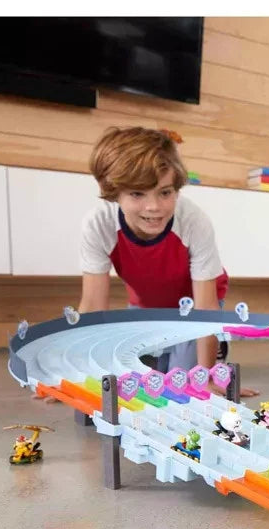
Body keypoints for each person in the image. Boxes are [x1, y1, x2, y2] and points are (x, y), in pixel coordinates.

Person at [77, 126, 257, 395]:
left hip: (194, 305)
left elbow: (206, 308)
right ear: (115, 192)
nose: (154, 207)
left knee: (183, 386)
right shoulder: (99, 223)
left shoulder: (194, 221)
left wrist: (207, 377)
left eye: (165, 192)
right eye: (137, 194)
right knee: (131, 377)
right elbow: (92, 306)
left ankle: (217, 348)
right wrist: (80, 375)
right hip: (145, 304)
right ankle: (165, 351)